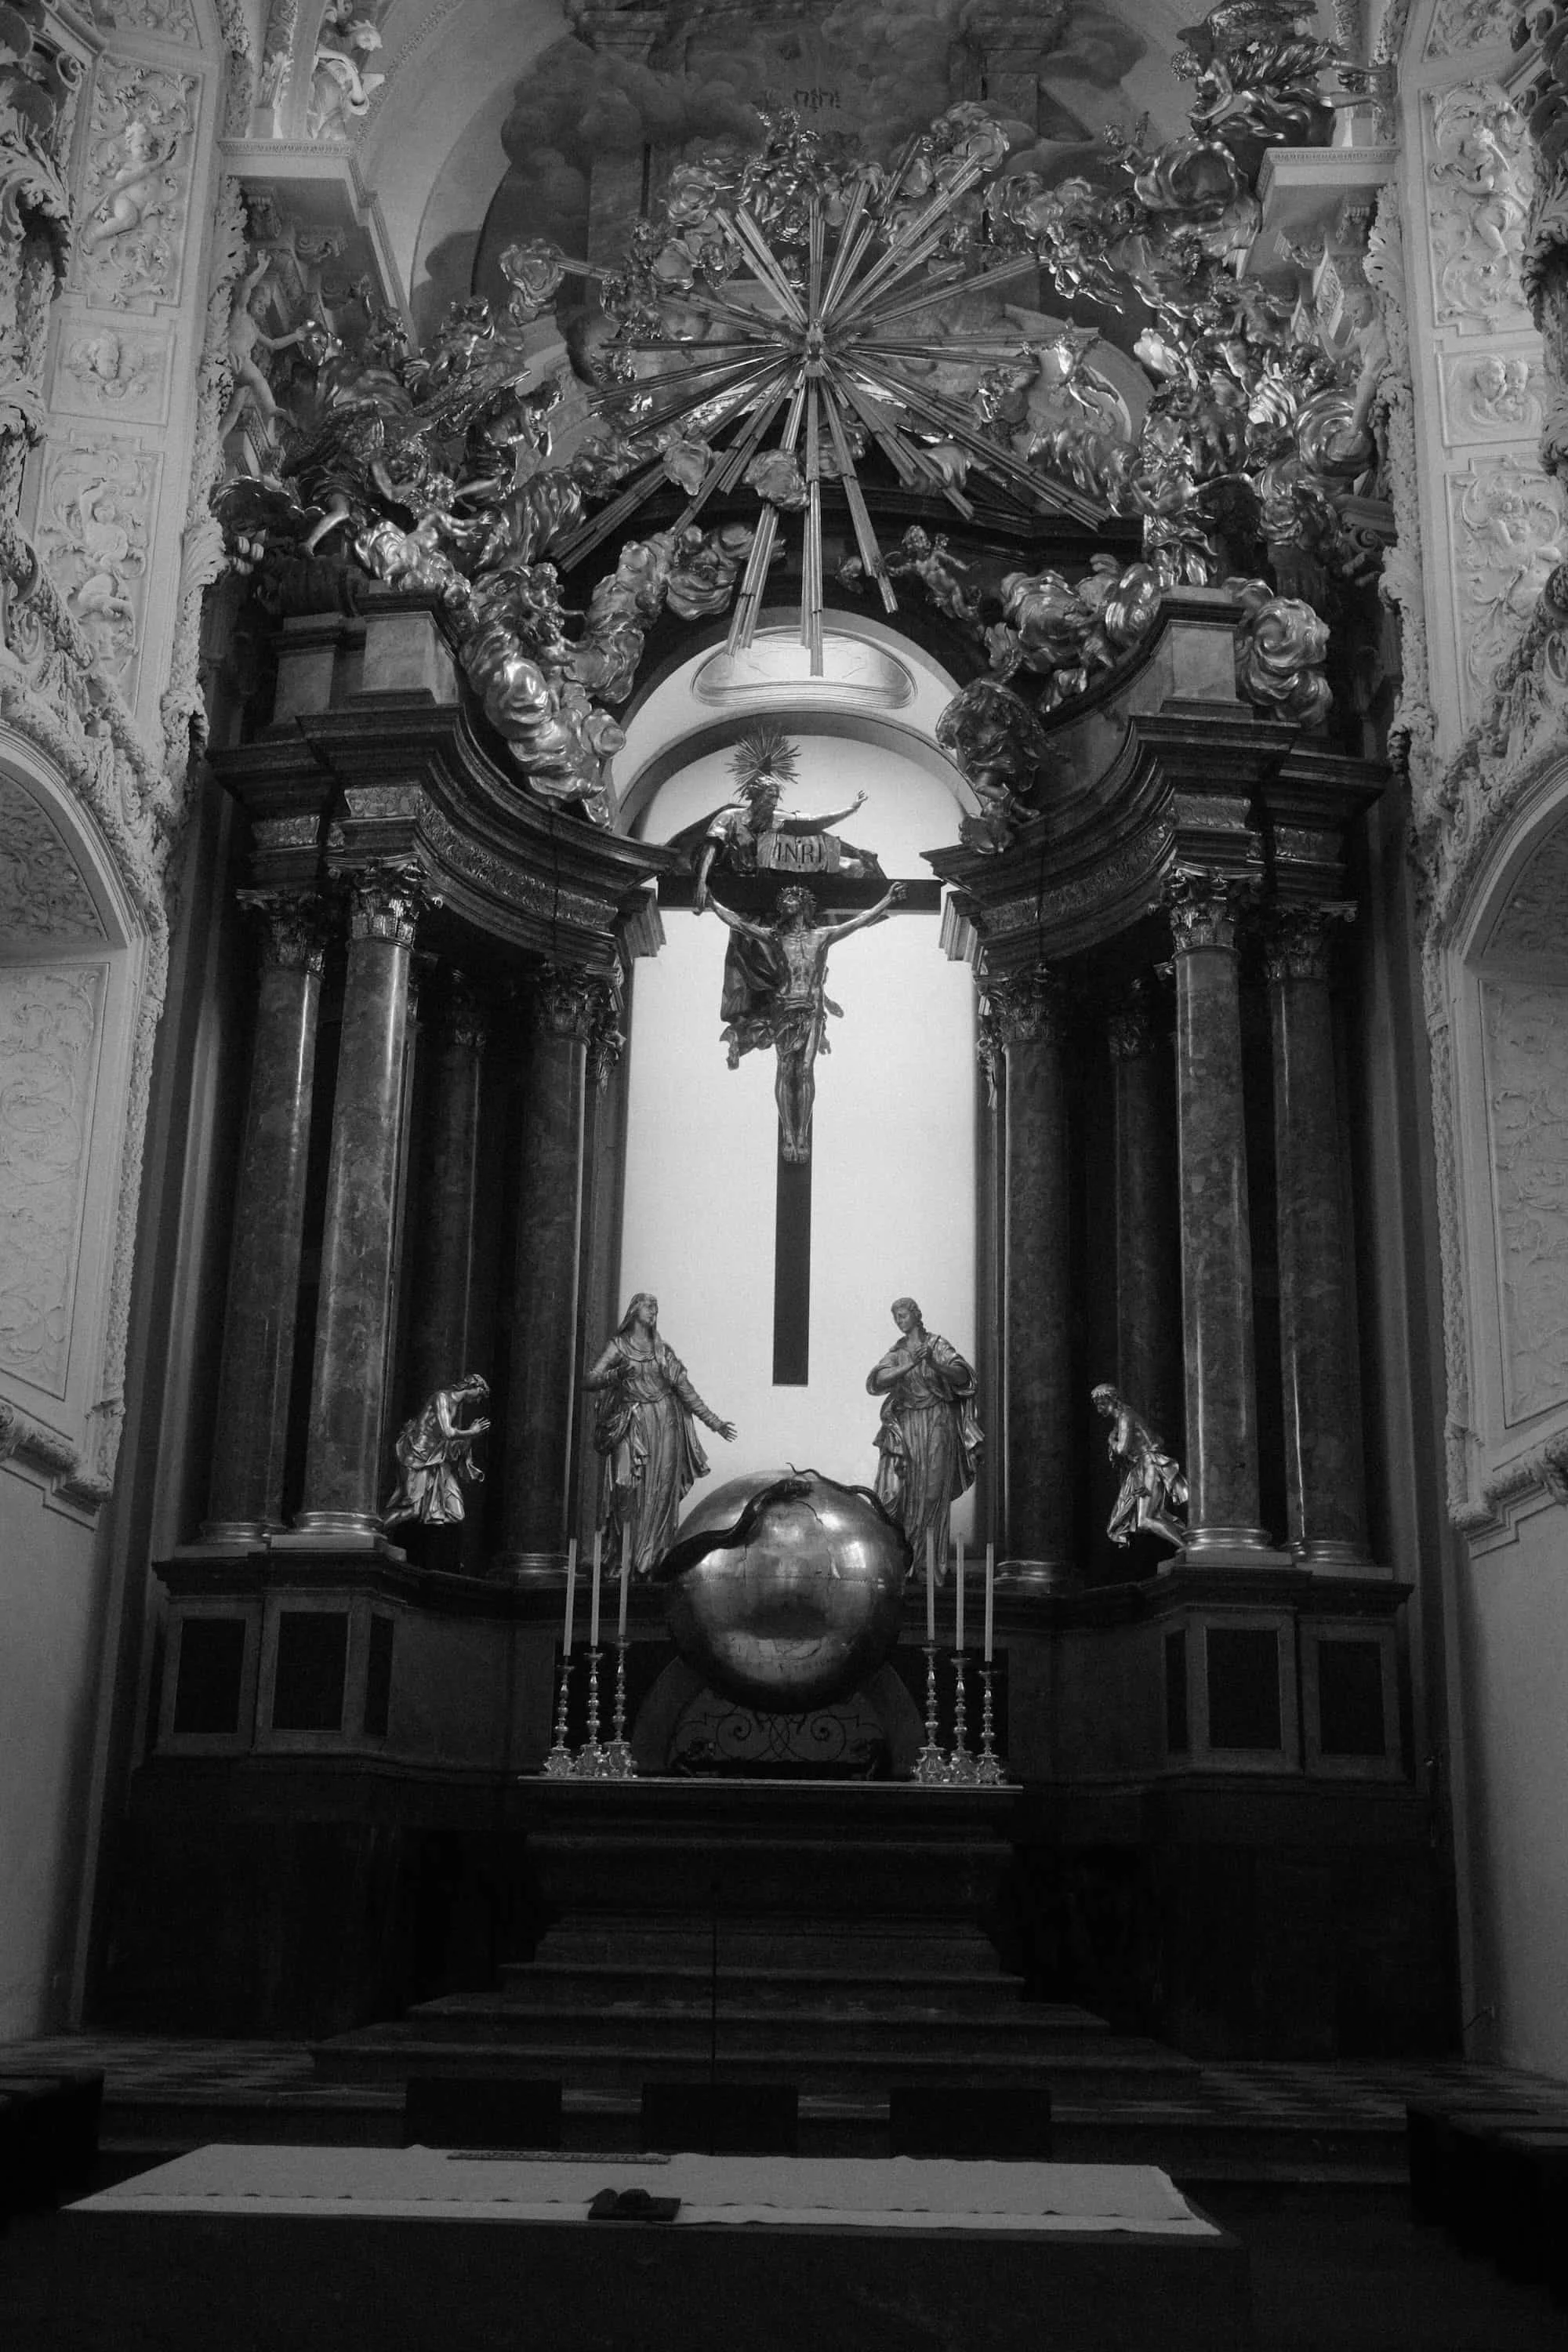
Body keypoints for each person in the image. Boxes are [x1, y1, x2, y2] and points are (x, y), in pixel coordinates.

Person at [699, 880, 904, 1161]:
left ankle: (801, 1135)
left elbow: (857, 922)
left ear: (804, 906)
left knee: (805, 1070)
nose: (784, 903)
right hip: (784, 1006)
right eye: (783, 899)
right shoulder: (775, 937)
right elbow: (739, 924)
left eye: (791, 899)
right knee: (785, 1069)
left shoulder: (822, 936)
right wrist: (712, 903)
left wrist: (887, 901)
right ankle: (788, 1135)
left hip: (811, 1009)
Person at [585, 1294, 737, 1575]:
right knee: (625, 1487)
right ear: (634, 1311)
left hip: (666, 1424)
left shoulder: (662, 1351)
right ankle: (623, 1559)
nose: (654, 1311)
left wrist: (715, 1423)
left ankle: (650, 1563)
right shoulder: (618, 1346)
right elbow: (590, 1379)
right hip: (632, 1423)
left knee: (661, 1493)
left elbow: (685, 1390)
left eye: (656, 1308)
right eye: (648, 1306)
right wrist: (616, 1376)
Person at [866, 1298, 982, 1573]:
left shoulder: (937, 1345)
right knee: (901, 1495)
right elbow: (877, 1382)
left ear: (917, 1315)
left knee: (933, 1493)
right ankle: (906, 1562)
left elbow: (964, 1378)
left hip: (937, 1422)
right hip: (907, 1426)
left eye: (903, 1315)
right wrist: (909, 1366)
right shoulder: (897, 1352)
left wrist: (933, 1362)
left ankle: (929, 1565)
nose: (899, 1320)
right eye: (896, 1317)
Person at [1091, 1383, 1189, 1553]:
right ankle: (1189, 1544)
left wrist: (1111, 1441)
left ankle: (1187, 1549)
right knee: (1154, 1515)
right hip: (1144, 1466)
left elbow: (1122, 1449)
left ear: (1112, 1400)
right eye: (1097, 1405)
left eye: (1102, 1403)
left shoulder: (1125, 1417)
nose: (1099, 1409)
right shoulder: (1125, 1417)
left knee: (1146, 1519)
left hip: (1148, 1466)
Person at [383, 1374, 489, 1528]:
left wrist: (468, 1439)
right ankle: (376, 1532)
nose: (478, 1400)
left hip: (434, 1458)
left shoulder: (456, 1405)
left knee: (456, 1513)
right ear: (472, 1386)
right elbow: (447, 1432)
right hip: (417, 1456)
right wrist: (471, 1432)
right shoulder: (441, 1398)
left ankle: (430, 1510)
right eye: (479, 1394)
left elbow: (444, 1437)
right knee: (411, 1510)